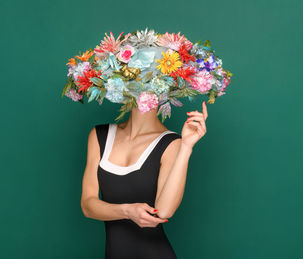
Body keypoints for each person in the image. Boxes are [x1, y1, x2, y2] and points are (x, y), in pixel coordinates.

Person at [80, 101, 208, 259]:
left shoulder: (171, 143)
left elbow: (165, 211)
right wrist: (127, 211)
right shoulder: (100, 135)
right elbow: (88, 205)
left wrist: (186, 147)